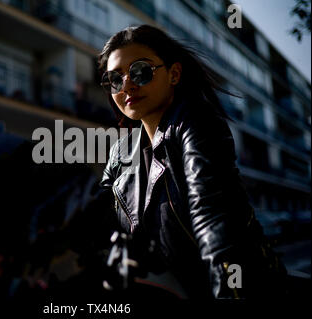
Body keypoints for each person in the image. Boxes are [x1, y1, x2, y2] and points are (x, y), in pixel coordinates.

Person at [98, 25, 287, 299]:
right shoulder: (120, 153)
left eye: (140, 71)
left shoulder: (196, 123)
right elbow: (97, 221)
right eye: (115, 79)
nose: (127, 84)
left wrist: (228, 294)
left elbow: (212, 217)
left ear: (174, 73)